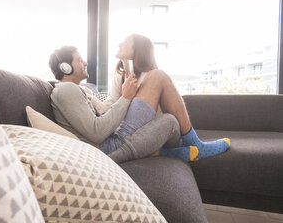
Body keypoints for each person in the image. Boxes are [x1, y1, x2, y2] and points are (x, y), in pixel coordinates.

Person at [48, 46, 204, 163]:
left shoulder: (77, 90)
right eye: (80, 59)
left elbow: (101, 115)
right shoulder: (65, 90)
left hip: (114, 135)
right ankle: (186, 145)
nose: (86, 62)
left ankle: (163, 150)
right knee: (169, 119)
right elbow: (97, 132)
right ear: (65, 67)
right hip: (111, 146)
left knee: (159, 84)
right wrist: (126, 98)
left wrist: (126, 96)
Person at [95, 34, 231, 162]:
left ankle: (190, 144)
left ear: (138, 49)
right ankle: (162, 151)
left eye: (126, 41)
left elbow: (155, 117)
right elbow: (110, 105)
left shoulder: (149, 78)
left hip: (158, 131)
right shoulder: (120, 77)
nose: (119, 44)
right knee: (160, 77)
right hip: (130, 136)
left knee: (161, 87)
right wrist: (91, 99)